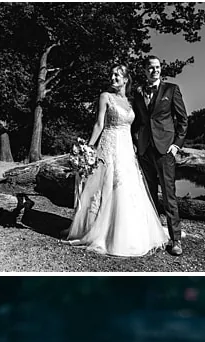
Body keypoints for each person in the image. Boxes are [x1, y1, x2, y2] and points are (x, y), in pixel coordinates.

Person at [65, 64, 169, 257]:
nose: (112, 78)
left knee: (128, 188)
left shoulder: (131, 102)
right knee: (108, 187)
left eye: (117, 75)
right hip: (109, 145)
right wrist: (88, 148)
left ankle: (128, 233)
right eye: (111, 75)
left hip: (127, 148)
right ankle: (103, 232)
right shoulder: (106, 96)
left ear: (126, 79)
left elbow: (137, 125)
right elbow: (99, 124)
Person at [131, 55, 188, 257]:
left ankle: (175, 240)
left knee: (169, 195)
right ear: (145, 70)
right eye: (150, 68)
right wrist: (135, 143)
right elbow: (136, 121)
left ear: (160, 70)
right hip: (144, 149)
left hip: (165, 150)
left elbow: (183, 120)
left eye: (157, 67)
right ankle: (152, 235)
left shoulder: (171, 90)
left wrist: (176, 146)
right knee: (149, 194)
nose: (154, 70)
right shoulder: (137, 93)